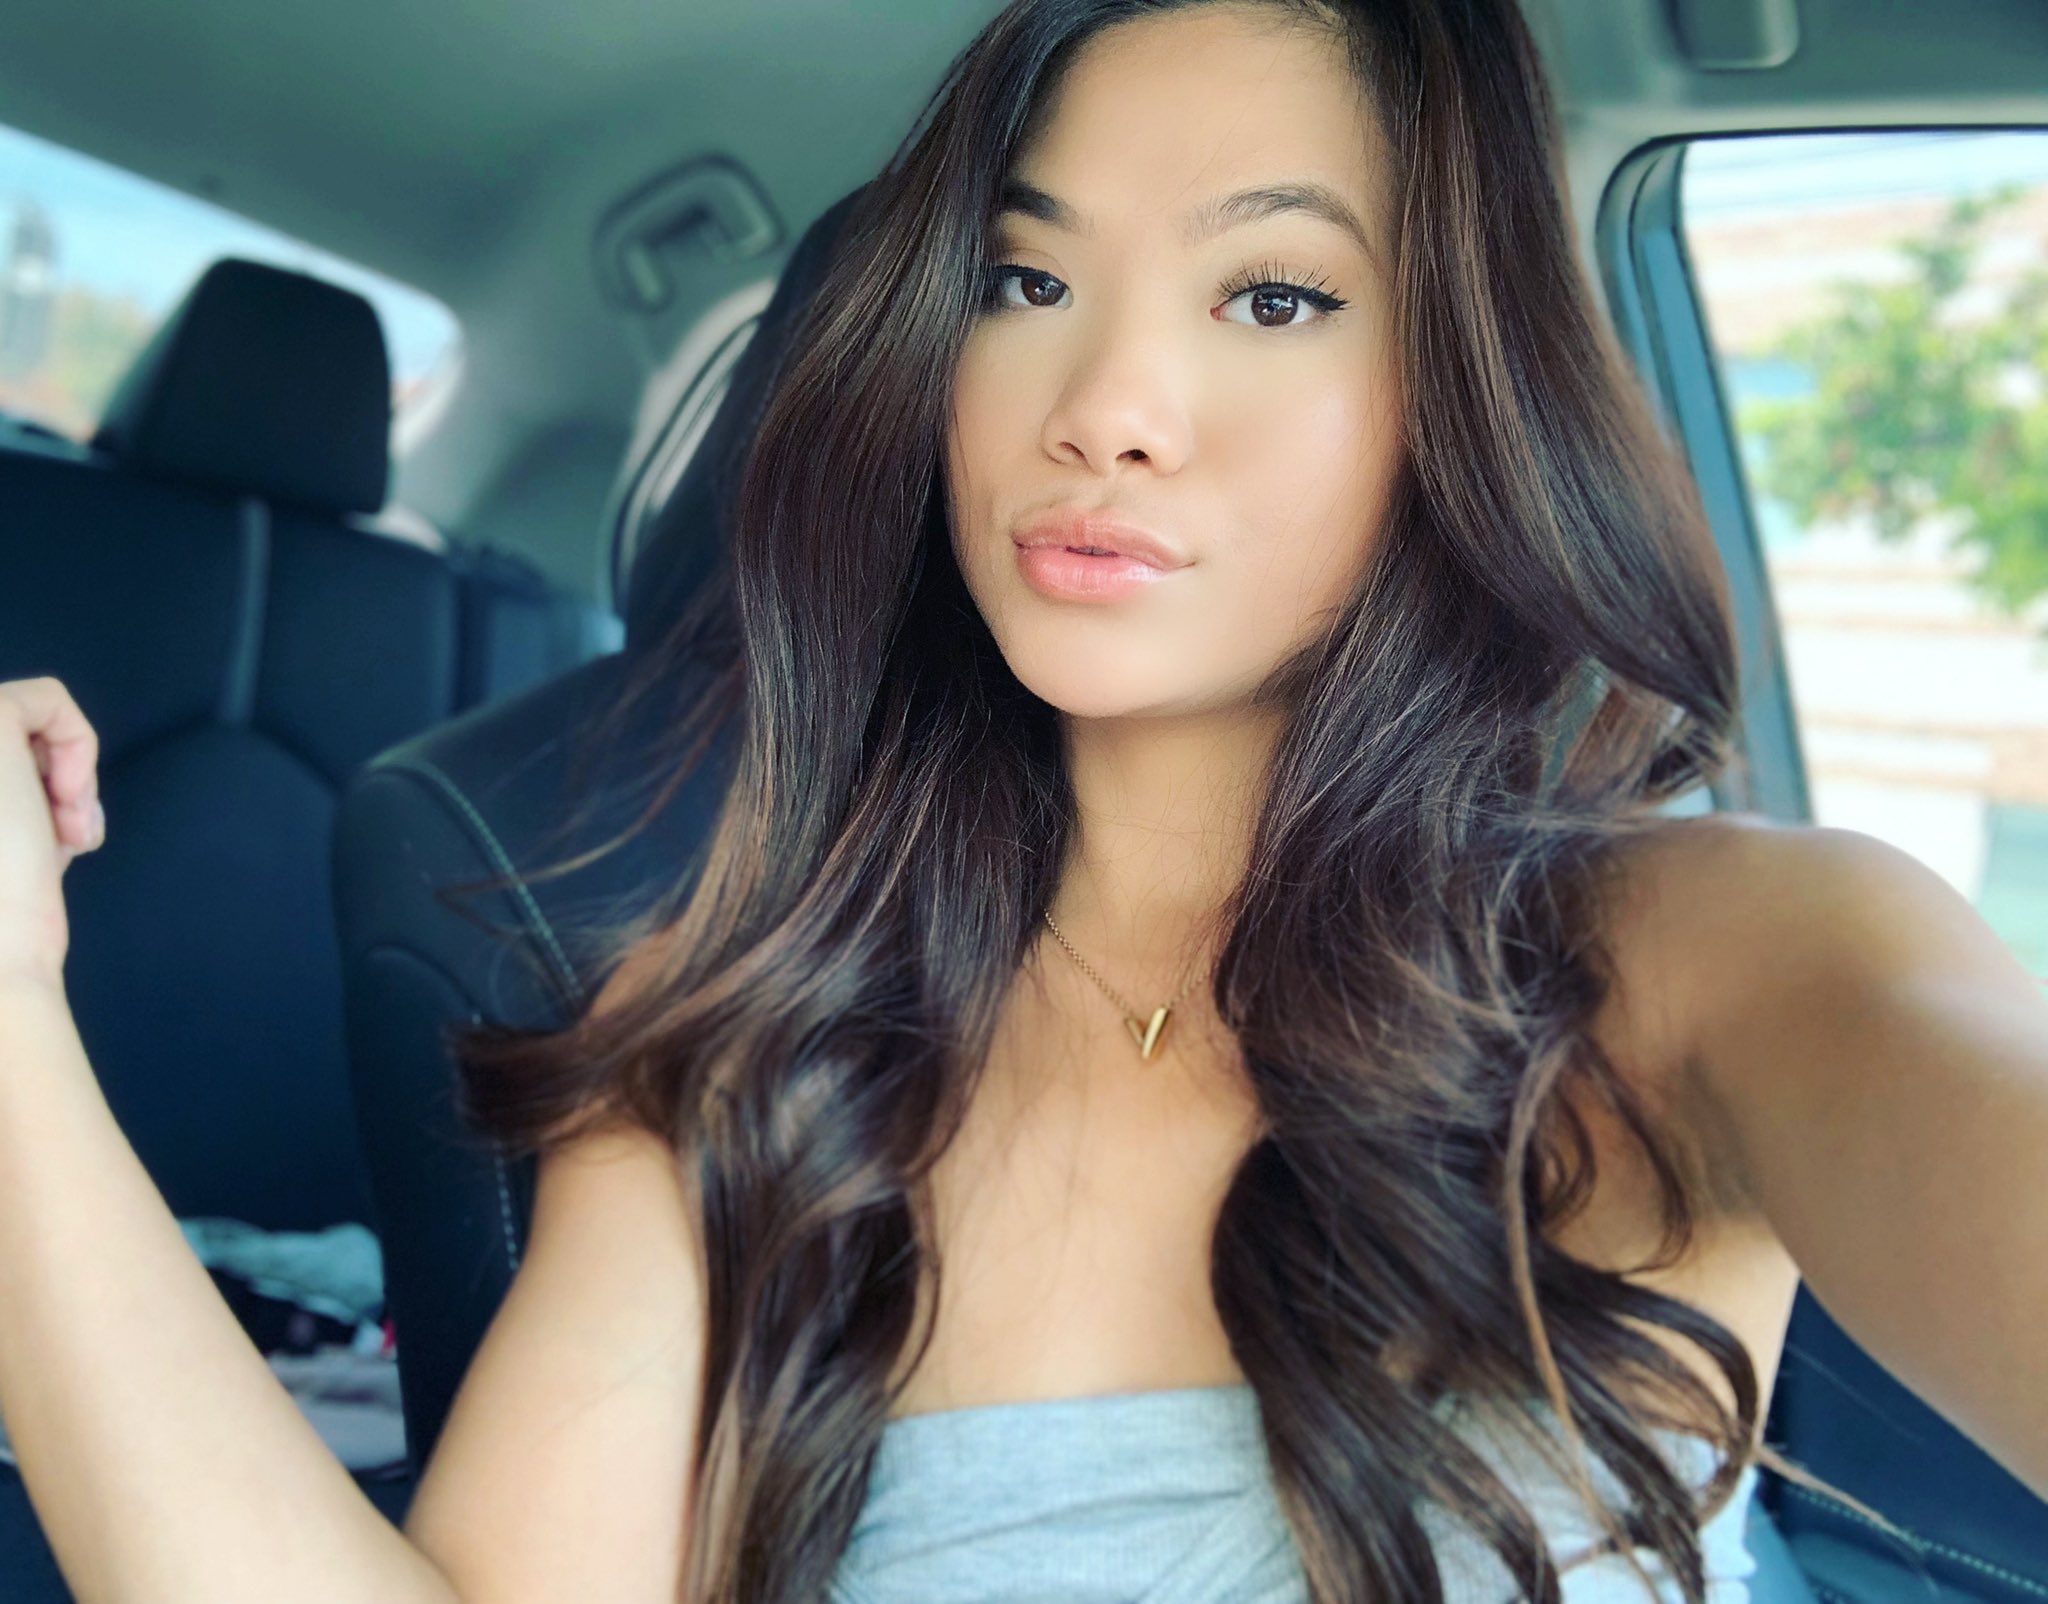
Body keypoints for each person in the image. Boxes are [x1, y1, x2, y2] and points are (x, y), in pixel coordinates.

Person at [4, 1, 2047, 1601]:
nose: (1104, 411)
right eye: (1025, 281)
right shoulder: (744, 1048)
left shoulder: (1711, 958)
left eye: (1272, 295)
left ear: (1458, 391)